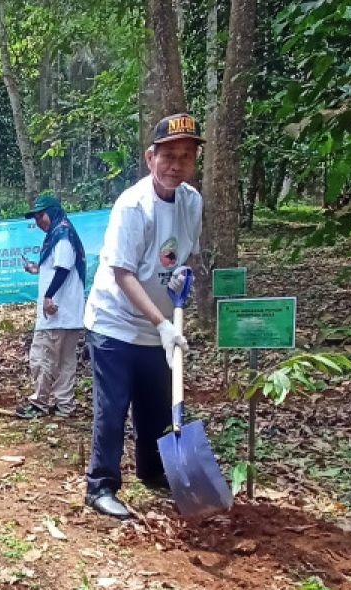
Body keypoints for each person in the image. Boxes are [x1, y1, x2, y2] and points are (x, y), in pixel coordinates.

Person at [83, 113, 202, 520]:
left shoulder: (192, 202)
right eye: (168, 155)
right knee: (113, 407)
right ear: (150, 157)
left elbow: (182, 257)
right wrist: (162, 323)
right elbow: (122, 273)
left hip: (159, 329)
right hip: (114, 324)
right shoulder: (133, 205)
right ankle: (101, 486)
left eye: (185, 156)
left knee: (156, 407)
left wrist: (181, 283)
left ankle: (153, 472)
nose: (175, 164)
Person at [17, 194, 87, 420]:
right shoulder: (64, 232)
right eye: (36, 218)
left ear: (54, 212)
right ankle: (65, 405)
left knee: (42, 357)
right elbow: (59, 266)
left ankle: (39, 403)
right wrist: (37, 269)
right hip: (70, 313)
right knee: (66, 361)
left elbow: (64, 268)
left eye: (41, 215)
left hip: (56, 311)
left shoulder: (62, 233)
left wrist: (48, 296)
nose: (39, 222)